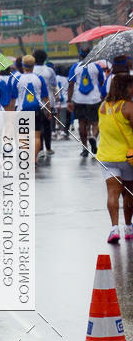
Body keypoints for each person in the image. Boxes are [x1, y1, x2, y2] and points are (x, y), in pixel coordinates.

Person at [96, 71, 133, 244]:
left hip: (106, 156)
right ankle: (128, 227)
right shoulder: (128, 106)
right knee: (128, 194)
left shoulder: (103, 106)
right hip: (127, 158)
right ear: (126, 87)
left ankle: (113, 229)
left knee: (112, 192)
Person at [11, 55, 50, 163]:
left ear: (23, 66)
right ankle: (33, 159)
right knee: (36, 136)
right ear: (33, 66)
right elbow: (45, 97)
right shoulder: (39, 78)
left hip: (22, 111)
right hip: (37, 110)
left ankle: (25, 157)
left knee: (23, 136)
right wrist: (48, 110)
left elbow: (13, 98)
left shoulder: (17, 79)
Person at [67, 52, 106, 157]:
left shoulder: (75, 67)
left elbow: (70, 84)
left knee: (82, 123)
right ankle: (93, 136)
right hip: (95, 99)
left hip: (79, 99)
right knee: (95, 122)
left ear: (80, 56)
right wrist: (103, 97)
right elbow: (102, 83)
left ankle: (85, 149)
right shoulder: (97, 67)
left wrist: (69, 100)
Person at [33, 49, 58, 156]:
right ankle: (48, 148)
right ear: (45, 59)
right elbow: (54, 86)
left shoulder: (30, 70)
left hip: (35, 102)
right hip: (49, 101)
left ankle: (40, 148)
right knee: (47, 125)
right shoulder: (50, 71)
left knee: (37, 126)